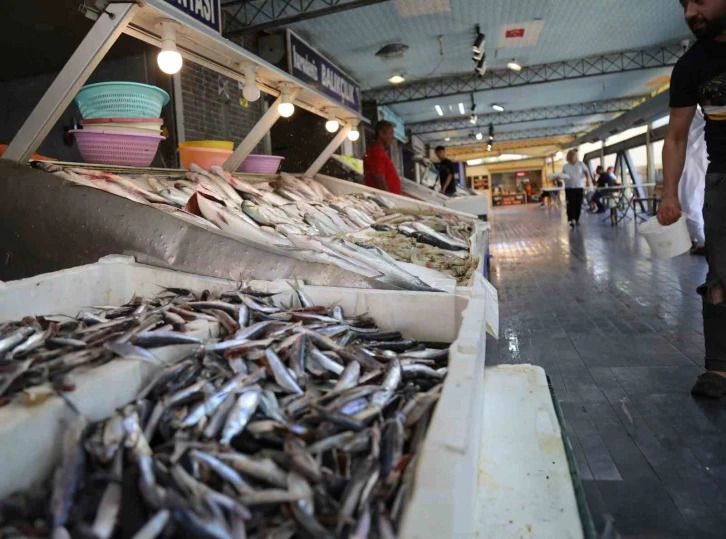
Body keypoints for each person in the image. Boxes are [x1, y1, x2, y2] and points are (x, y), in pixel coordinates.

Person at [659, 0, 726, 397]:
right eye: (684, 3)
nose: (690, 11)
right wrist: (670, 193)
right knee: (719, 276)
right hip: (723, 179)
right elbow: (676, 136)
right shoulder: (690, 66)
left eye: (700, 0)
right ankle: (720, 370)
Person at [678, 107, 708, 255]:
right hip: (700, 159)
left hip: (695, 161)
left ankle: (704, 242)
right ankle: (703, 241)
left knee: (690, 206)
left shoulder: (691, 110)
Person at [363, 121, 401, 195]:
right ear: (381, 133)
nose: (393, 137)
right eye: (391, 133)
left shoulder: (379, 151)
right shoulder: (377, 152)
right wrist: (390, 200)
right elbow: (380, 180)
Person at [561, 150, 591, 227]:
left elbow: (586, 172)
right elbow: (562, 175)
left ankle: (576, 219)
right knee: (570, 203)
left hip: (579, 186)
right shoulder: (565, 166)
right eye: (570, 154)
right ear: (568, 156)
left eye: (573, 154)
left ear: (576, 156)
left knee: (578, 203)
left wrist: (588, 180)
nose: (572, 156)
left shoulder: (580, 164)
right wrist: (559, 178)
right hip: (569, 187)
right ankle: (571, 219)